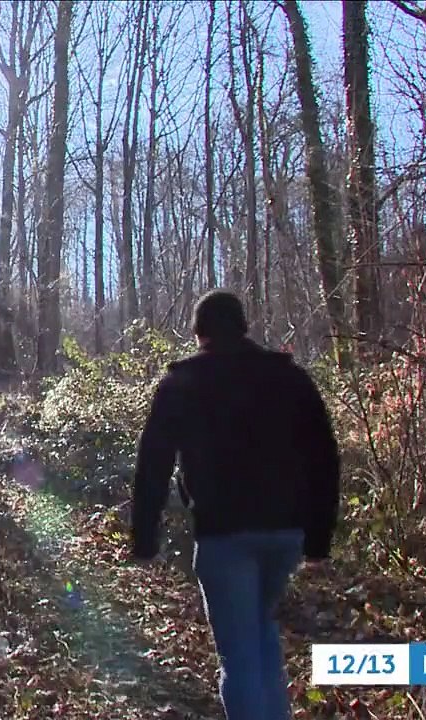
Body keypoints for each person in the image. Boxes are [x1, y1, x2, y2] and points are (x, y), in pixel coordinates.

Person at [130, 289, 340, 720]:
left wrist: (144, 539)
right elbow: (324, 458)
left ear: (199, 333)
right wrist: (318, 537)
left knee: (239, 654)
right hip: (285, 534)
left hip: (224, 534)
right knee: (261, 637)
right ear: (242, 327)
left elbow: (152, 464)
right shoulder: (291, 379)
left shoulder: (183, 382)